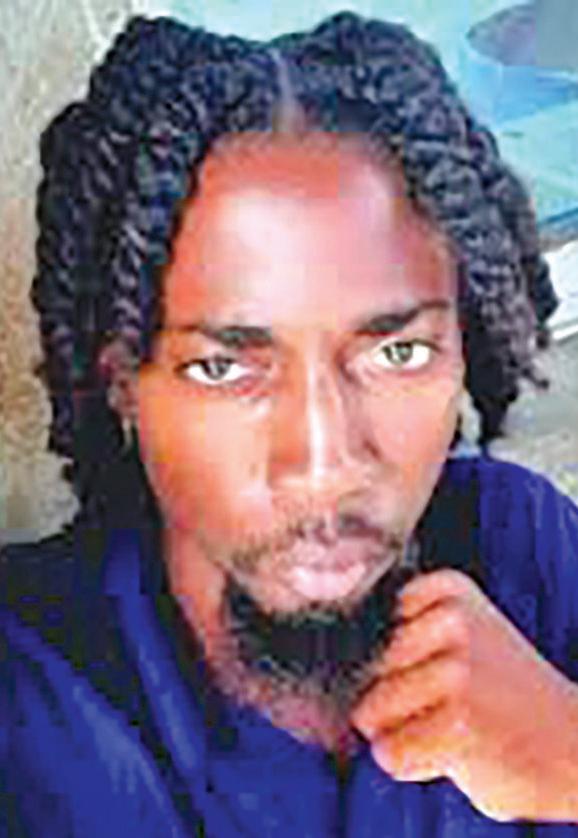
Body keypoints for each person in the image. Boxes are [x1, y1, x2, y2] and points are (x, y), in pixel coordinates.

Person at [1, 10, 576, 836]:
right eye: (223, 368)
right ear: (121, 381)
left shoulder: (517, 544)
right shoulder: (33, 703)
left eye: (399, 353)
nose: (324, 461)